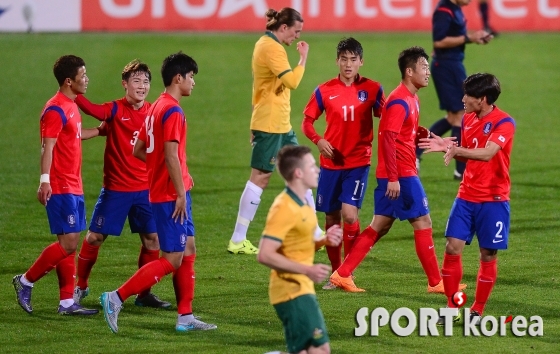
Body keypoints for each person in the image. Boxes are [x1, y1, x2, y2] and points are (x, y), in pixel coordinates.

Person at [329, 46, 466, 294]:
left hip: (397, 173)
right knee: (423, 221)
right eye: (424, 68)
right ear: (409, 71)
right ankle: (436, 282)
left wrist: (436, 139)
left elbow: (408, 131)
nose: (428, 73)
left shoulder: (411, 98)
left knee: (379, 226)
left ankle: (342, 274)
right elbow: (388, 139)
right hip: (400, 174)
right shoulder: (399, 101)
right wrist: (393, 178)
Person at [99, 52, 216, 333]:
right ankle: (115, 297)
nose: (193, 83)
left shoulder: (155, 107)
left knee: (188, 248)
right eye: (191, 77)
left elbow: (139, 150)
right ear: (179, 78)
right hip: (169, 196)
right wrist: (177, 189)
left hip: (168, 189)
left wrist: (174, 177)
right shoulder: (172, 110)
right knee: (172, 258)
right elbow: (171, 155)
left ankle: (185, 317)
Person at [73, 59, 170, 309]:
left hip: (145, 189)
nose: (142, 86)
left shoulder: (152, 112)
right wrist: (74, 92)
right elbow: (94, 110)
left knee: (153, 240)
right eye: (136, 81)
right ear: (125, 84)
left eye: (146, 81)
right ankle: (80, 285)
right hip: (116, 189)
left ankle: (143, 294)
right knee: (94, 237)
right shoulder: (115, 109)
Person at [418, 73, 514, 324]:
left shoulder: (504, 122)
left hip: (494, 199)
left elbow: (488, 153)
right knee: (452, 246)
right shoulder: (469, 119)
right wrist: (448, 147)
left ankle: (477, 309)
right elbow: (468, 154)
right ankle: (451, 306)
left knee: (488, 254)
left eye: (467, 95)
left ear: (482, 99)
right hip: (466, 196)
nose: (462, 99)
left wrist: (458, 149)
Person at [228, 7, 323, 255]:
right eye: (296, 32)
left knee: (302, 169)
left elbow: (259, 88)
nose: (296, 37)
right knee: (260, 176)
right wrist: (302, 59)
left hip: (280, 123)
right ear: (283, 28)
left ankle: (314, 232)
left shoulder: (268, 45)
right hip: (270, 125)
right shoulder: (271, 48)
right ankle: (238, 238)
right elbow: (291, 81)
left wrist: (252, 120)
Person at [12, 55, 98, 315]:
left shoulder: (71, 105)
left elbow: (75, 134)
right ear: (69, 81)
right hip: (60, 185)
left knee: (67, 241)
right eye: (83, 75)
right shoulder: (55, 108)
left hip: (74, 183)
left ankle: (66, 303)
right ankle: (25, 281)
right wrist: (45, 181)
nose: (87, 79)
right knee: (69, 243)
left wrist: (101, 130)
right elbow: (46, 147)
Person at [301, 37, 385, 289]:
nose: (348, 64)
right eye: (344, 59)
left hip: (358, 162)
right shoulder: (324, 90)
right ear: (337, 61)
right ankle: (337, 272)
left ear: (361, 62)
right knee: (331, 218)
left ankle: (346, 272)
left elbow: (389, 118)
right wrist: (318, 140)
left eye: (353, 59)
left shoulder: (373, 89)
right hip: (330, 164)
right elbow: (307, 122)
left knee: (350, 215)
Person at [257, 145, 342, 354]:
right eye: (312, 166)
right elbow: (265, 254)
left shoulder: (304, 204)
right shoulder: (284, 207)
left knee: (307, 351)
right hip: (291, 291)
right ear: (298, 173)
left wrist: (324, 241)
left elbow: (298, 244)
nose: (318, 170)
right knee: (320, 350)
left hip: (300, 288)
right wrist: (307, 270)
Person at [415, 0, 492, 180]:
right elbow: (439, 41)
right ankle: (461, 171)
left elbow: (452, 37)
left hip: (453, 65)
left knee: (453, 117)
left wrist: (474, 39)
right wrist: (468, 38)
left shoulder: (455, 9)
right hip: (446, 67)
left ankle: (415, 151)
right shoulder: (444, 10)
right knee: (460, 116)